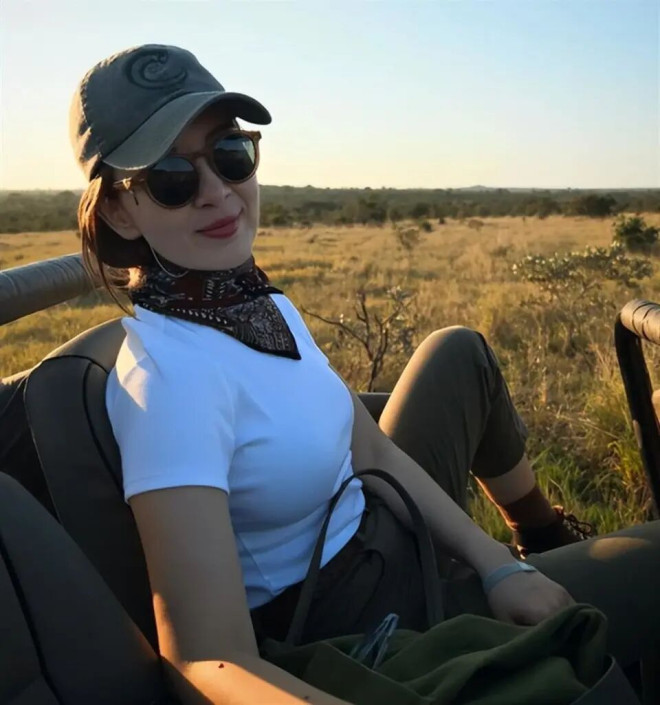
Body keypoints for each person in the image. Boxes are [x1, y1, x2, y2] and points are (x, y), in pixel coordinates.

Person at [69, 44, 660, 705]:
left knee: (458, 351)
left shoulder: (251, 302)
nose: (216, 192)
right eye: (171, 178)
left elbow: (372, 449)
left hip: (387, 525)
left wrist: (497, 566)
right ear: (119, 211)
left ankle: (539, 538)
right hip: (364, 621)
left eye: (230, 154)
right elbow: (207, 658)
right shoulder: (171, 381)